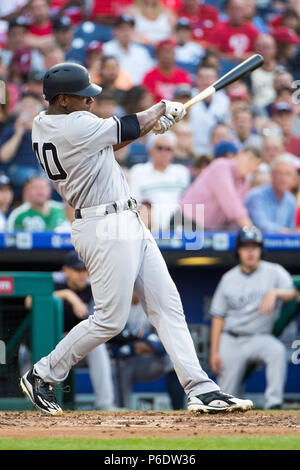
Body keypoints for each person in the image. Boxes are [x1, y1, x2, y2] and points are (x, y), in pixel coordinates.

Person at [20, 61, 253, 415]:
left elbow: (107, 140)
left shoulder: (44, 122)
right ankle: (43, 373)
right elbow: (125, 125)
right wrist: (161, 109)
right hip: (104, 225)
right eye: (83, 97)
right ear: (63, 99)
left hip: (122, 218)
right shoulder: (74, 124)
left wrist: (151, 126)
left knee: (168, 306)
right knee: (111, 320)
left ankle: (200, 388)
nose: (91, 102)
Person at [209, 226, 299, 409]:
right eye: (245, 246)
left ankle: (274, 403)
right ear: (238, 251)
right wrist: (214, 352)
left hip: (259, 337)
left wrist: (274, 292)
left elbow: (293, 292)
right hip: (231, 339)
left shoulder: (274, 272)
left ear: (261, 250)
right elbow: (218, 317)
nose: (250, 251)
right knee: (227, 397)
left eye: (255, 246)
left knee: (277, 351)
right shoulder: (228, 278)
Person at [53, 251, 117, 410]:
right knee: (28, 350)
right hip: (53, 345)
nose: (83, 275)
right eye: (78, 270)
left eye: (85, 270)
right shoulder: (56, 283)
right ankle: (35, 403)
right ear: (65, 270)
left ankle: (106, 405)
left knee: (98, 346)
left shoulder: (94, 289)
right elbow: (29, 301)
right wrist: (68, 295)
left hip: (78, 347)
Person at [108, 291, 185, 410]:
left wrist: (137, 345)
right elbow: (115, 342)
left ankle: (179, 409)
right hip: (125, 361)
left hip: (150, 361)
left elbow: (162, 344)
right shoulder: (119, 307)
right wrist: (142, 340)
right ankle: (121, 410)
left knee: (175, 363)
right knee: (119, 364)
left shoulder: (151, 306)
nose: (135, 291)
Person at [179, 147, 262, 230]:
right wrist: (251, 230)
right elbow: (233, 206)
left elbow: (233, 218)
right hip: (184, 220)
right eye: (250, 159)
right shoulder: (221, 166)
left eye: (256, 164)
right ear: (240, 154)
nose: (251, 165)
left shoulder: (244, 183)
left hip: (209, 229)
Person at [129, 131, 191, 230]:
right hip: (149, 225)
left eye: (168, 149)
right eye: (159, 148)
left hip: (178, 225)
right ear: (150, 150)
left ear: (173, 152)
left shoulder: (182, 172)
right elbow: (134, 202)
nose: (164, 152)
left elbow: (188, 201)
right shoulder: (138, 171)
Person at [0, 92, 44, 196]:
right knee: (35, 180)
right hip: (17, 169)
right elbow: (4, 156)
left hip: (41, 169)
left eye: (31, 106)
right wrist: (18, 133)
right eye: (24, 106)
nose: (27, 109)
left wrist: (35, 130)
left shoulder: (44, 129)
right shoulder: (10, 130)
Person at [245, 154, 298, 233]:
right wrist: (285, 231)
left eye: (288, 174)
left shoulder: (291, 200)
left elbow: (291, 229)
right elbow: (261, 225)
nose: (283, 178)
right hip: (256, 243)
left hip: (282, 243)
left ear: (293, 178)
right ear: (272, 175)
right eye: (279, 173)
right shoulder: (256, 195)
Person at [188, 65, 230, 154]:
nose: (206, 81)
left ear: (216, 80)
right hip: (191, 150)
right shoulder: (187, 98)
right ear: (196, 80)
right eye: (202, 78)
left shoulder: (223, 100)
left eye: (209, 77)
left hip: (217, 152)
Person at [102, 14, 154, 85]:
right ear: (114, 31)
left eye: (129, 29)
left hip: (137, 91)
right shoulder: (106, 49)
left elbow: (148, 75)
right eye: (122, 29)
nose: (126, 33)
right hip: (115, 91)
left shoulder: (142, 52)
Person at [142, 38, 191, 103]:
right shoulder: (149, 76)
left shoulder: (183, 75)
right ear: (157, 55)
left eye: (170, 52)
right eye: (165, 52)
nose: (168, 55)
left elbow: (186, 99)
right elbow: (148, 102)